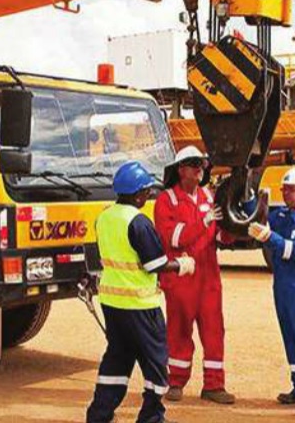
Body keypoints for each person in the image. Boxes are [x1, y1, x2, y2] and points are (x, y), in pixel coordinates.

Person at [86, 161, 196, 423]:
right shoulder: (138, 221)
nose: (148, 196)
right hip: (140, 306)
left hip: (113, 304)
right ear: (137, 194)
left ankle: (99, 414)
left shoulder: (105, 217)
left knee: (117, 359)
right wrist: (182, 264)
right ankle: (152, 417)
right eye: (147, 191)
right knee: (156, 362)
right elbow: (154, 264)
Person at [153, 146, 236, 405]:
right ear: (180, 169)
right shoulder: (166, 200)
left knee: (214, 331)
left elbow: (219, 237)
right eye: (193, 164)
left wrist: (234, 227)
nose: (199, 169)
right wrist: (204, 222)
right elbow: (175, 238)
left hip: (209, 279)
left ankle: (214, 385)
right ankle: (175, 381)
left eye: (201, 164)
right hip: (180, 279)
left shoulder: (208, 196)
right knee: (178, 331)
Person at [247, 167, 295, 405]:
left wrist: (269, 238)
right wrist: (251, 195)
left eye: (291, 190)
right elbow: (256, 217)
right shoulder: (281, 216)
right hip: (284, 285)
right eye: (284, 190)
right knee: (290, 336)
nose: (286, 194)